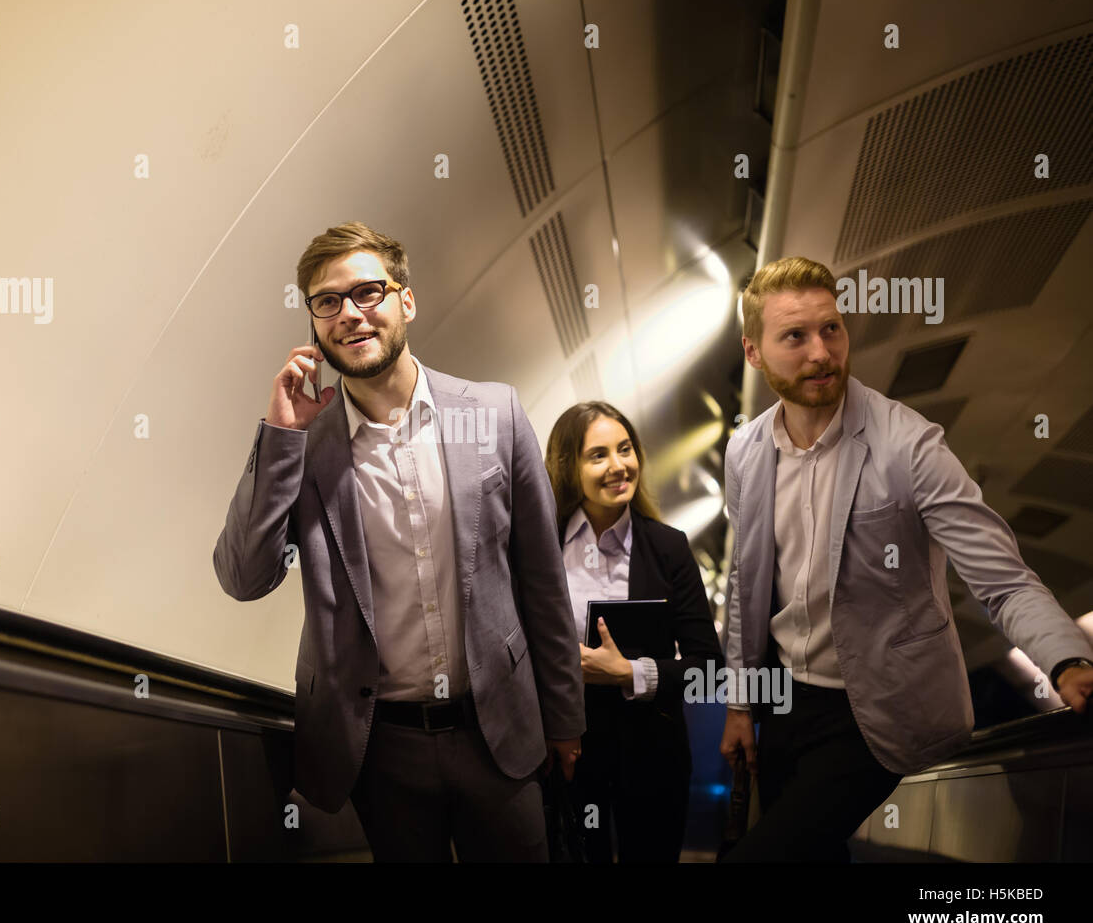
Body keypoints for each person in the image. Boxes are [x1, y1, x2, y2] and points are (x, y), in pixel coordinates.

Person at [212, 221, 585, 861]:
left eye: (367, 293)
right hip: (381, 751)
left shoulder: (493, 415)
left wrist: (565, 718)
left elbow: (543, 584)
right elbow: (245, 577)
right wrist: (280, 437)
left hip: (496, 732)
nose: (349, 315)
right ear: (313, 321)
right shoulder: (306, 445)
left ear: (405, 301)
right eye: (326, 301)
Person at [718, 256, 1093, 862]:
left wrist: (1067, 658)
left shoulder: (910, 445)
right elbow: (745, 584)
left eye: (831, 329)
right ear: (754, 352)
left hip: (878, 709)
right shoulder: (746, 450)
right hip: (786, 701)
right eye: (795, 336)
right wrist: (740, 702)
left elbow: (999, 578)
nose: (822, 352)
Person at [545, 401, 723, 862]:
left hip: (653, 755)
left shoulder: (668, 548)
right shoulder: (539, 546)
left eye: (625, 449)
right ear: (569, 467)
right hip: (568, 753)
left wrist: (630, 673)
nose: (619, 465)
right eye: (598, 455)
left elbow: (709, 669)